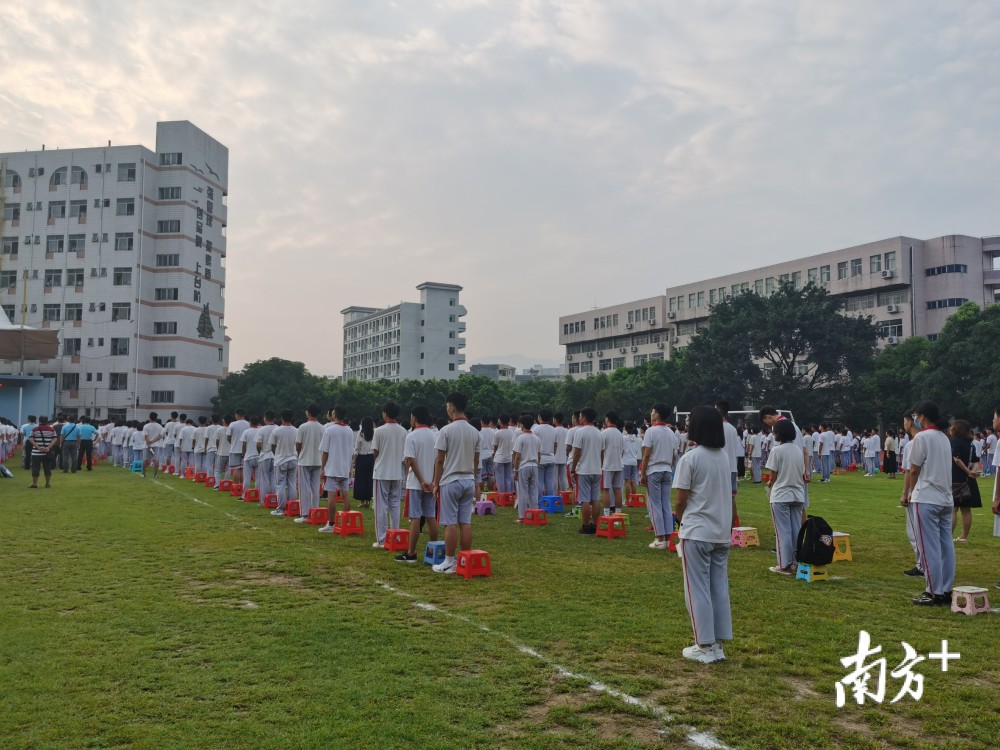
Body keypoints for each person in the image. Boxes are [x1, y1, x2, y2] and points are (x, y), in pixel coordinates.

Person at [674, 405, 734, 664]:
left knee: (696, 589)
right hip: (720, 531)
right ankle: (717, 644)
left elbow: (680, 499)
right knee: (718, 587)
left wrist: (679, 520)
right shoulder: (723, 456)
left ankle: (704, 645)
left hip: (697, 530)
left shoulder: (691, 458)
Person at [902, 401, 955, 606]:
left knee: (928, 547)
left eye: (916, 415)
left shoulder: (922, 437)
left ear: (922, 417)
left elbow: (913, 470)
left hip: (926, 497)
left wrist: (911, 491)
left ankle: (933, 591)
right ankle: (946, 588)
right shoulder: (944, 437)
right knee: (946, 545)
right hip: (945, 498)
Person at [431, 392, 480, 574]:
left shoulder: (446, 430)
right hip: (468, 480)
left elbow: (440, 460)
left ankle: (450, 561)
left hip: (451, 480)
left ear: (451, 407)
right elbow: (476, 461)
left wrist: (436, 483)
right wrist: (473, 479)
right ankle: (464, 559)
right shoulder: (475, 432)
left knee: (450, 522)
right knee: (465, 522)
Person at [391, 406, 437, 559]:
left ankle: (411, 552)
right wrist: (433, 480)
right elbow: (438, 461)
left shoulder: (411, 436)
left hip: (417, 483)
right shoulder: (434, 435)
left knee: (415, 518)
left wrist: (422, 480)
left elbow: (411, 461)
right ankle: (434, 550)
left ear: (415, 418)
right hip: (431, 482)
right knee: (431, 517)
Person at [764, 419, 806, 575]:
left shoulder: (777, 450)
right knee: (796, 530)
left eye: (774, 431)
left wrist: (769, 484)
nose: (773, 434)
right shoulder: (797, 450)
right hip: (797, 494)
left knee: (782, 532)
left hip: (781, 495)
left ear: (779, 434)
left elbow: (773, 476)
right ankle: (795, 562)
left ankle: (784, 565)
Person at [640, 403, 680, 550]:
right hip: (667, 469)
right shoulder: (671, 432)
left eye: (652, 412)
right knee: (665, 504)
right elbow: (674, 454)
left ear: (656, 415)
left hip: (654, 469)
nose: (651, 414)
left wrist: (643, 473)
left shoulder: (651, 431)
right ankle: (668, 537)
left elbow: (647, 454)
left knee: (654, 504)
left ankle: (659, 538)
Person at [371, 402, 407, 549]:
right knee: (394, 504)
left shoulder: (379, 431)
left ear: (385, 413)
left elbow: (375, 452)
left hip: (382, 472)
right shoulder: (404, 431)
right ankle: (396, 535)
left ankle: (382, 538)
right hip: (397, 471)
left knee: (381, 506)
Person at [319, 406, 357, 534]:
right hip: (344, 467)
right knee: (345, 494)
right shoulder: (349, 430)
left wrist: (322, 467)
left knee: (332, 495)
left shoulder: (329, 430)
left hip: (333, 467)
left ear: (334, 414)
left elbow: (325, 451)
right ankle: (346, 521)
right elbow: (351, 450)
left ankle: (331, 523)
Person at [898, 412, 924, 578]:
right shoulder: (936, 439)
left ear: (910, 422)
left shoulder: (913, 444)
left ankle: (921, 565)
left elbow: (910, 471)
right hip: (933, 492)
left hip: (918, 492)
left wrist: (906, 492)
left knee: (915, 532)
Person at [570, 407, 603, 535]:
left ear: (583, 417)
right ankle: (595, 524)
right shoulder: (599, 432)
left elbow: (576, 452)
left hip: (584, 469)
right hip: (596, 469)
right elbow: (601, 452)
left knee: (584, 499)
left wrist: (573, 469)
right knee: (594, 499)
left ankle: (585, 525)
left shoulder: (580, 432)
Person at [949, 419, 981, 544]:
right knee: (966, 510)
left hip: (957, 479)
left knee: (953, 509)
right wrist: (972, 472)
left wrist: (967, 471)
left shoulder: (955, 442)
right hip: (969, 480)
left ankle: (948, 537)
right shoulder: (971, 444)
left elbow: (956, 459)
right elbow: (976, 461)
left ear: (956, 429)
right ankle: (964, 537)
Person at [296, 405, 324, 521]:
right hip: (318, 460)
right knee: (315, 487)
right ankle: (315, 511)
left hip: (305, 460)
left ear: (308, 413)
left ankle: (305, 514)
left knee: (304, 487)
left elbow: (298, 444)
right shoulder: (322, 428)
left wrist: (299, 454)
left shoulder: (303, 427)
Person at [268, 410, 298, 516]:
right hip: (293, 459)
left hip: (280, 460)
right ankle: (292, 506)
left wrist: (277, 454)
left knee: (280, 485)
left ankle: (281, 508)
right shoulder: (296, 430)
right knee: (292, 483)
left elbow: (272, 446)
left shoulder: (277, 431)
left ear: (282, 418)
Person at [513, 414, 541, 523]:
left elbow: (517, 456)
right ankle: (534, 513)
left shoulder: (521, 438)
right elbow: (539, 455)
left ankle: (522, 516)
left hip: (524, 466)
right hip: (534, 465)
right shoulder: (537, 438)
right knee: (533, 491)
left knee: (523, 492)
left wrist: (515, 469)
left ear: (522, 425)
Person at [600, 411, 625, 515]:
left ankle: (606, 513)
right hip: (618, 464)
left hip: (607, 465)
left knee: (606, 489)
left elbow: (601, 451)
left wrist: (601, 463)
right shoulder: (620, 434)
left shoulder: (604, 433)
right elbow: (622, 450)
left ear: (607, 419)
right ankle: (618, 512)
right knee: (617, 489)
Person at [533, 410, 557, 500]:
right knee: (549, 481)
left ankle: (540, 500)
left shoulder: (536, 429)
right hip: (551, 457)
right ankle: (551, 499)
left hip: (540, 458)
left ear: (540, 417)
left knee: (539, 481)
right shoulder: (554, 430)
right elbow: (555, 445)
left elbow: (534, 445)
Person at [28, 416, 58, 488]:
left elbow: (31, 439)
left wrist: (38, 447)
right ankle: (47, 483)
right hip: (47, 452)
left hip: (36, 452)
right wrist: (48, 447)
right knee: (47, 468)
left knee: (35, 468)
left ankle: (35, 484)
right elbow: (55, 439)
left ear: (39, 421)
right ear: (47, 421)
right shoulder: (51, 430)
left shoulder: (34, 429)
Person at [352, 416, 375, 507]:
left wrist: (354, 461)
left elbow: (357, 449)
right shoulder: (374, 433)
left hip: (362, 459)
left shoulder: (361, 434)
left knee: (361, 479)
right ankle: (368, 500)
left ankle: (362, 501)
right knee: (369, 479)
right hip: (371, 458)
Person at [492, 415, 515, 495]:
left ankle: (501, 495)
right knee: (508, 478)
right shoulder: (512, 433)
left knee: (500, 478)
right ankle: (508, 494)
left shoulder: (497, 433)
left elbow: (495, 446)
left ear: (500, 422)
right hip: (509, 457)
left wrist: (494, 453)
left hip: (499, 457)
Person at [142, 412, 165, 478]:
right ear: (156, 418)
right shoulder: (159, 426)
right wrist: (153, 441)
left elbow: (146, 436)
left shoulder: (146, 426)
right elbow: (160, 436)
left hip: (147, 445)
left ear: (149, 417)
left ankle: (143, 474)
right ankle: (155, 474)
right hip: (156, 445)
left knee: (145, 459)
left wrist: (149, 443)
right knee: (155, 459)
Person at [622, 421, 641, 501]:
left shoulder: (624, 438)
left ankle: (628, 499)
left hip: (626, 461)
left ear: (625, 429)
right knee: (633, 481)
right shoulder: (636, 439)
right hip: (634, 461)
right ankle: (634, 499)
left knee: (627, 481)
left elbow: (622, 450)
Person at [553, 413, 569, 493]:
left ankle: (556, 493)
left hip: (555, 457)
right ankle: (564, 492)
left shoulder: (554, 430)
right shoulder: (566, 431)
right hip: (563, 456)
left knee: (555, 477)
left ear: (555, 419)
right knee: (563, 477)